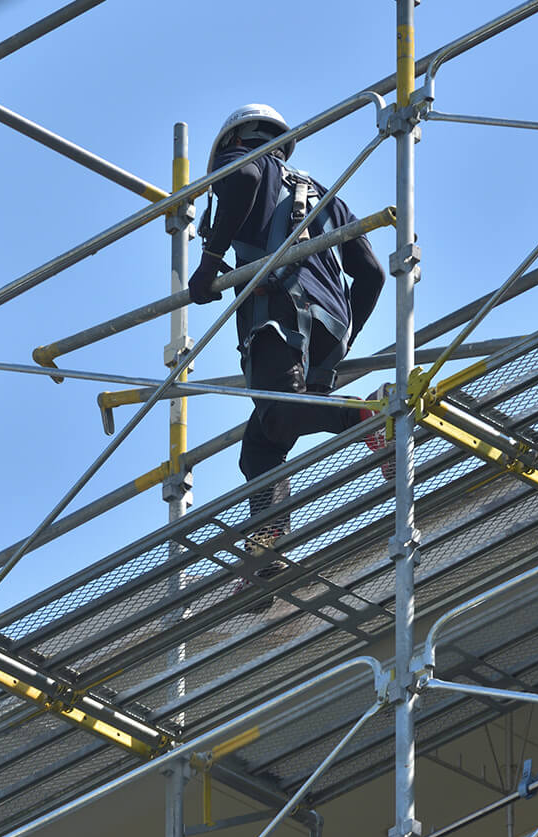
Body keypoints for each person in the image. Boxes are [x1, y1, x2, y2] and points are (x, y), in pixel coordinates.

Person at [186, 103, 387, 576]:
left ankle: (367, 413)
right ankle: (268, 540)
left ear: (235, 143)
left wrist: (211, 261)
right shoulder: (325, 195)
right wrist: (342, 340)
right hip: (331, 327)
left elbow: (243, 182)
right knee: (264, 441)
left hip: (278, 316)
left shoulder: (241, 165)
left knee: (277, 411)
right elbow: (372, 275)